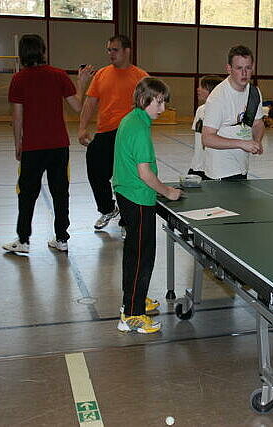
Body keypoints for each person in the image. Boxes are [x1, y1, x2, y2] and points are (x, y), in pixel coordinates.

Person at [3, 34, 93, 254]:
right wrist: (81, 84)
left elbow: (17, 117)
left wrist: (18, 143)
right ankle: (62, 238)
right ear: (43, 51)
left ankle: (23, 240)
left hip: (32, 147)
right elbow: (78, 107)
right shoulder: (59, 75)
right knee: (60, 192)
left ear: (22, 54)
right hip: (58, 146)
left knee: (27, 194)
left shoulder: (18, 79)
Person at [113, 77, 181, 334]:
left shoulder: (131, 119)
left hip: (126, 193)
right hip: (138, 198)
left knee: (133, 253)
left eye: (164, 103)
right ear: (144, 99)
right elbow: (145, 173)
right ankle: (132, 315)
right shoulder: (140, 129)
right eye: (159, 102)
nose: (163, 109)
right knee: (142, 257)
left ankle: (133, 299)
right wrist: (168, 192)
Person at [78, 35, 148, 231]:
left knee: (126, 179)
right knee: (95, 170)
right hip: (105, 132)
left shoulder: (141, 77)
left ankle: (127, 220)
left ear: (127, 51)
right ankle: (107, 208)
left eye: (115, 50)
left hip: (129, 135)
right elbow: (90, 102)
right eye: (109, 50)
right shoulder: (102, 74)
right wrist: (82, 127)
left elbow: (151, 106)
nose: (111, 53)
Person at [202, 45, 265, 180]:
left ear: (253, 67)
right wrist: (242, 143)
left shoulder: (254, 93)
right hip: (220, 172)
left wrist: (257, 141)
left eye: (248, 68)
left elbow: (258, 123)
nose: (244, 73)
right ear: (229, 68)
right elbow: (207, 138)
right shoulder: (218, 97)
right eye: (239, 68)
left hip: (242, 168)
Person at [187, 75, 223, 180]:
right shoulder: (200, 110)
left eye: (202, 87)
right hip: (197, 165)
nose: (198, 89)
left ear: (212, 90)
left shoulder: (219, 110)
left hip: (210, 168)